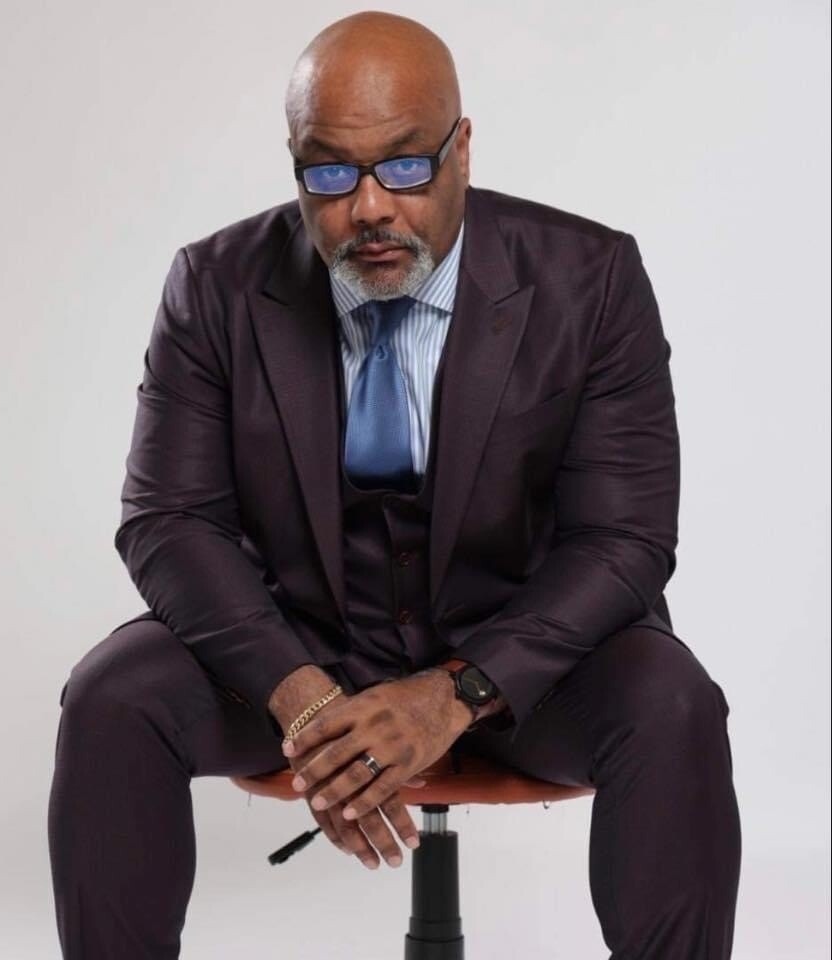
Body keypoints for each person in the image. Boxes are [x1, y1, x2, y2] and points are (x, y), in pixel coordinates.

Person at [47, 11, 741, 959]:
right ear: (296, 166)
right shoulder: (212, 286)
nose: (369, 207)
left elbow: (625, 541)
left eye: (406, 166)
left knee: (673, 704)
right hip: (298, 649)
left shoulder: (593, 278)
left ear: (463, 149)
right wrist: (303, 699)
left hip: (525, 667)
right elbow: (168, 521)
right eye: (330, 173)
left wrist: (456, 692)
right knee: (113, 698)